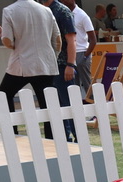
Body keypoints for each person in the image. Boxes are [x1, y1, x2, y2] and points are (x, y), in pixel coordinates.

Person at [0, 0, 60, 114]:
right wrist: (52, 57)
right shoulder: (47, 10)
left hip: (22, 64)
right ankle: (52, 132)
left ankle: (11, 130)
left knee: (3, 96)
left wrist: (3, 37)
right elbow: (57, 40)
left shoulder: (9, 10)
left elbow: (8, 40)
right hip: (45, 65)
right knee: (48, 105)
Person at [41, 0, 76, 141]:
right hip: (47, 67)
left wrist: (70, 65)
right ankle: (65, 140)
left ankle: (79, 140)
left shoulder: (62, 11)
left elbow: (72, 40)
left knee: (69, 107)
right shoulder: (41, 10)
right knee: (56, 108)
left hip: (62, 66)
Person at [63, 0, 95, 97]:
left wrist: (85, 56)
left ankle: (94, 105)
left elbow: (93, 39)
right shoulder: (64, 14)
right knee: (73, 84)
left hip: (82, 52)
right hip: (70, 54)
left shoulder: (82, 15)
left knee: (86, 83)